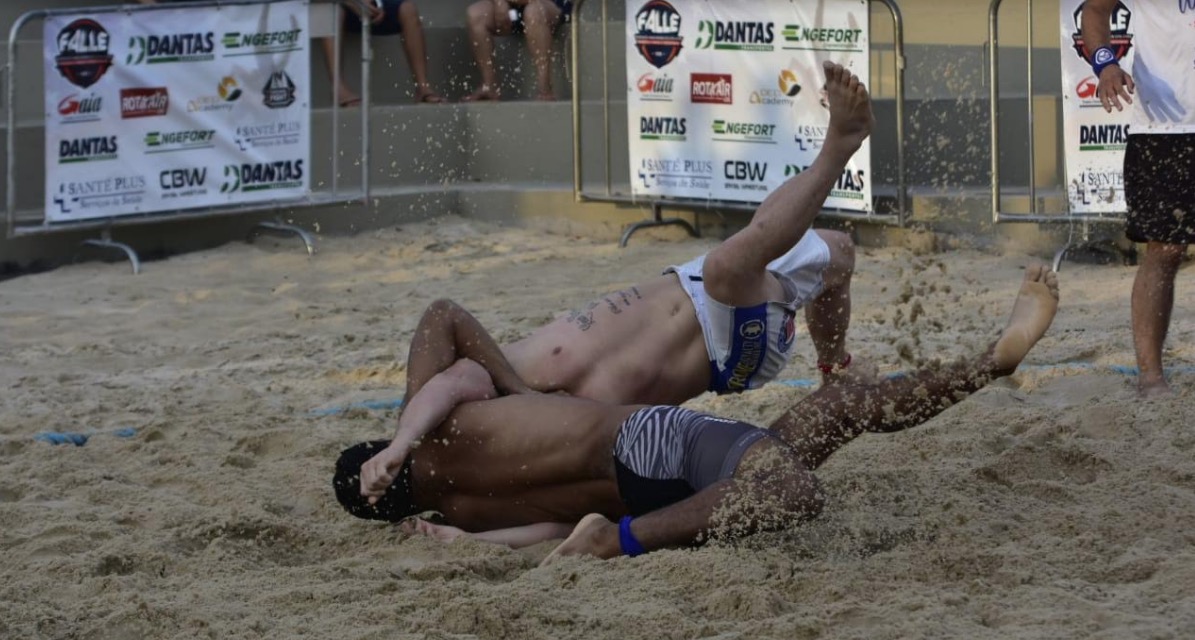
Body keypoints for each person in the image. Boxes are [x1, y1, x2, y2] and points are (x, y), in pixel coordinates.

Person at [332, 265, 1061, 563]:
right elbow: (444, 320)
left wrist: (466, 543)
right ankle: (619, 543)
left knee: (836, 409)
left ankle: (992, 362)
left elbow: (549, 528)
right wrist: (417, 434)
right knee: (789, 488)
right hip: (652, 450)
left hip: (663, 488)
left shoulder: (457, 510)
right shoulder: (433, 428)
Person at [400, 62, 874, 424]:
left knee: (837, 254)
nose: (463, 383)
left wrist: (403, 438)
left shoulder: (501, 367)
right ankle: (838, 148)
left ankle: (835, 370)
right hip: (725, 345)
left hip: (696, 288)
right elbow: (574, 502)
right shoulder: (549, 426)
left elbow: (444, 332)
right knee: (731, 264)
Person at [1081, 0, 1194, 398]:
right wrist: (1105, 64)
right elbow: (1094, 10)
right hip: (1165, 128)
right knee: (1164, 251)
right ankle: (1151, 377)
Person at [321, 0, 445, 106]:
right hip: (338, 6)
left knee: (408, 8)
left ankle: (422, 87)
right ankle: (338, 88)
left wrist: (377, 3)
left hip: (368, 7)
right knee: (331, 12)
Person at [463, 0, 572, 101]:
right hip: (512, 8)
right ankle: (490, 85)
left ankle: (545, 88)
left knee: (534, 12)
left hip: (550, 5)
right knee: (475, 14)